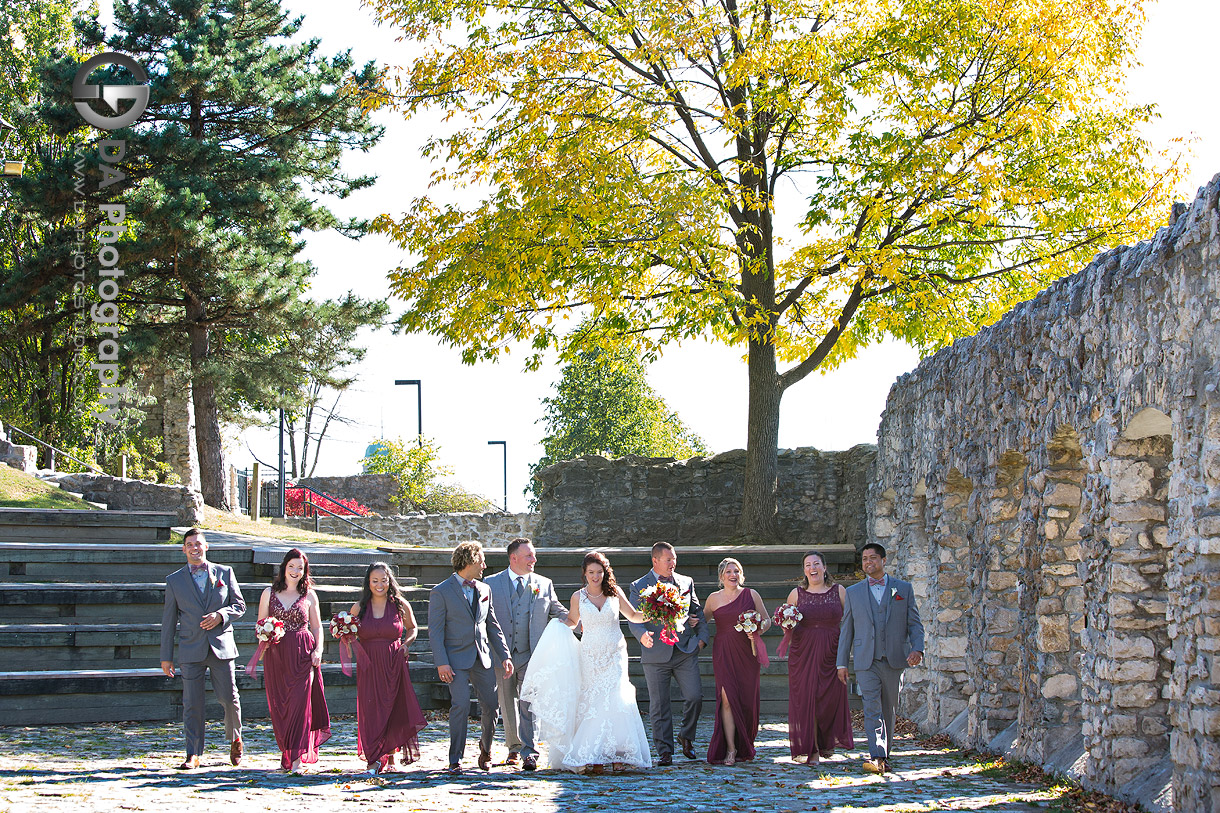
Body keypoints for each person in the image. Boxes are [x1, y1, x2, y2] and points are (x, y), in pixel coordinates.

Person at [520, 551, 654, 773]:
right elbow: (573, 621)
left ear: (605, 572)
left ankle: (618, 754)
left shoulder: (615, 594)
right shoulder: (578, 597)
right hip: (590, 655)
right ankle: (596, 755)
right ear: (584, 573)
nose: (595, 576)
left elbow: (633, 616)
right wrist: (558, 626)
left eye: (599, 572)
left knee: (617, 698)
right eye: (591, 572)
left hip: (615, 653)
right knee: (594, 703)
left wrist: (654, 612)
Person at [159, 528, 246, 770]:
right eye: (190, 544)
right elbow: (168, 621)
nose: (194, 548)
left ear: (206, 546)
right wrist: (166, 657)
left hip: (221, 646)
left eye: (199, 543)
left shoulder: (225, 573)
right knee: (192, 703)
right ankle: (193, 753)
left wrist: (221, 615)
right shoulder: (174, 581)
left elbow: (239, 605)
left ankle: (235, 737)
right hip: (191, 648)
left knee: (229, 698)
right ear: (183, 549)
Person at [837, 542, 924, 774]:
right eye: (864, 559)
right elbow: (847, 629)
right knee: (871, 708)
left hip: (895, 658)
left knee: (889, 710)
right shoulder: (853, 593)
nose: (868, 562)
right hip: (866, 660)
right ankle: (877, 755)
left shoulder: (903, 589)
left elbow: (914, 623)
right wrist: (842, 662)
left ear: (884, 561)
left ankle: (886, 754)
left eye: (873, 558)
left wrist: (918, 649)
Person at [428, 540, 513, 773]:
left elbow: (492, 625)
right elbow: (435, 631)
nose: (485, 565)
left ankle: (485, 751)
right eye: (481, 561)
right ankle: (455, 758)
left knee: (492, 705)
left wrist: (504, 655)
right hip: (454, 660)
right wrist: (441, 662)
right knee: (461, 705)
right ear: (470, 561)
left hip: (482, 657)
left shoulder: (485, 589)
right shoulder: (441, 591)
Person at [485, 538, 568, 771]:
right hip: (501, 654)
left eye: (533, 555)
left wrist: (582, 618)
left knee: (528, 702)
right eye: (529, 556)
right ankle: (513, 746)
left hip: (532, 653)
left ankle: (529, 752)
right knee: (507, 702)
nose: (534, 559)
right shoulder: (490, 583)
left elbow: (557, 610)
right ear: (514, 558)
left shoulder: (544, 583)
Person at [628, 541, 709, 765]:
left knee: (695, 697)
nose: (673, 563)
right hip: (655, 653)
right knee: (659, 704)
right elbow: (633, 618)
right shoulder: (639, 586)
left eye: (674, 559)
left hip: (684, 650)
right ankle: (665, 751)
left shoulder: (686, 582)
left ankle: (686, 736)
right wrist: (642, 635)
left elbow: (696, 610)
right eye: (668, 559)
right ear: (655, 561)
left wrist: (702, 639)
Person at [256, 548, 331, 773]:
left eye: (300, 567)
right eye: (292, 566)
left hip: (302, 654)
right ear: (284, 567)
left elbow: (317, 627)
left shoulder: (309, 595)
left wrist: (318, 650)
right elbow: (260, 624)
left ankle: (296, 759)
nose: (296, 571)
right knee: (281, 706)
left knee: (300, 705)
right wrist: (267, 633)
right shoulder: (268, 593)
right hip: (276, 655)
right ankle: (286, 751)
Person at [348, 562, 427, 775]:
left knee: (392, 708)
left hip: (393, 662)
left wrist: (406, 645)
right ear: (368, 583)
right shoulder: (359, 607)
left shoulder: (400, 604)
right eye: (375, 581)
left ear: (389, 580)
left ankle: (390, 755)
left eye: (384, 580)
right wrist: (346, 636)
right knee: (371, 709)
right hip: (369, 665)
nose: (380, 585)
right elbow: (348, 630)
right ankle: (373, 758)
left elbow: (412, 628)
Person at [781, 551, 853, 765]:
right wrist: (786, 624)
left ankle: (825, 743)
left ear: (824, 567)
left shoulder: (839, 591)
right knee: (807, 699)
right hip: (803, 653)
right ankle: (810, 749)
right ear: (804, 570)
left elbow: (849, 622)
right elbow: (788, 625)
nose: (812, 568)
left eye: (816, 564)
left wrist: (847, 654)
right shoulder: (796, 594)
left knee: (828, 699)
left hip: (832, 651)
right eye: (808, 565)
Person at [703, 557, 770, 765]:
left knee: (747, 701)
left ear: (741, 575)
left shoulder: (751, 594)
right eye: (728, 572)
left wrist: (758, 629)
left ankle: (745, 742)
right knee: (726, 699)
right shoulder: (713, 599)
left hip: (747, 653)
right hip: (723, 652)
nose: (733, 575)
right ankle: (730, 748)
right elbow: (701, 623)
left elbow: (766, 620)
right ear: (721, 576)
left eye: (736, 571)